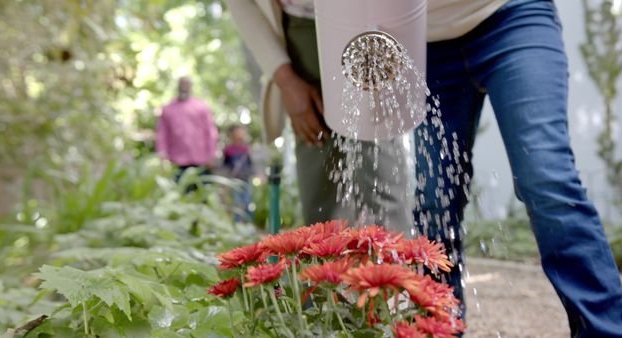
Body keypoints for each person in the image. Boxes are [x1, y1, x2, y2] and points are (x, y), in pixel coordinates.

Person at [225, 0, 622, 336]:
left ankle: (603, 327)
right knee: (435, 202)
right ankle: (439, 327)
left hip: (510, 16)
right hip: (424, 43)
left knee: (546, 177)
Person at [156, 76, 219, 190]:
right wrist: (162, 154)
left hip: (201, 160)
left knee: (203, 195)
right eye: (182, 84)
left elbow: (210, 131)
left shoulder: (201, 106)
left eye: (187, 84)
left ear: (190, 87)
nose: (184, 87)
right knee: (180, 194)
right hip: (177, 160)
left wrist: (212, 154)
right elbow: (162, 134)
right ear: (178, 86)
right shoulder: (168, 109)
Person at [223, 124, 254, 222]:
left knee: (247, 201)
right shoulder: (228, 150)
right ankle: (238, 223)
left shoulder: (246, 149)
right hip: (235, 180)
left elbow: (250, 163)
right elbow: (225, 165)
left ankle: (248, 223)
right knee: (237, 202)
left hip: (246, 178)